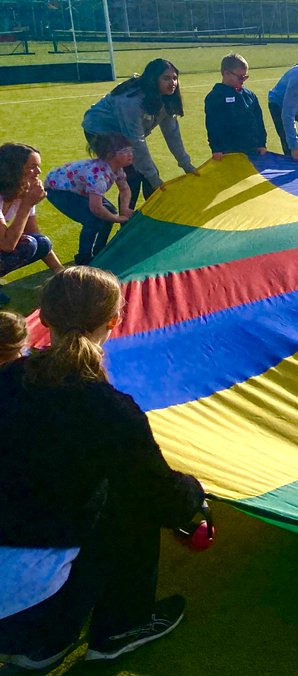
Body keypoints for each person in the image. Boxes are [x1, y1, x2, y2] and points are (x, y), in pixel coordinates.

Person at [0, 266, 205, 669]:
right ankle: (118, 627)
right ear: (114, 321)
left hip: (17, 583)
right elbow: (160, 493)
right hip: (28, 595)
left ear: (44, 315)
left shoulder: (9, 381)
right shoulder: (110, 410)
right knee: (133, 503)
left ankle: (45, 643)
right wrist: (194, 496)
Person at [81, 59, 197, 207]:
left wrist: (186, 164)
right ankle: (126, 223)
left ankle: (155, 217)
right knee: (133, 177)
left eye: (175, 78)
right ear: (153, 79)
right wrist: (153, 177)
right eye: (166, 78)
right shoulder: (132, 101)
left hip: (126, 133)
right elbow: (136, 140)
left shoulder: (165, 99)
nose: (173, 83)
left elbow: (172, 134)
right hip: (99, 130)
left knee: (146, 174)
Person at [43, 134, 134, 266]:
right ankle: (84, 258)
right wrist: (117, 219)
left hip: (74, 188)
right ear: (109, 155)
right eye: (125, 151)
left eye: (131, 150)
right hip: (57, 189)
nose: (130, 154)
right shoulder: (99, 176)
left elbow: (125, 189)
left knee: (109, 211)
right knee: (93, 218)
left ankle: (99, 250)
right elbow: (96, 208)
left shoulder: (117, 170)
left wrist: (124, 208)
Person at [0, 143, 63, 278]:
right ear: (14, 170)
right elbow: (6, 245)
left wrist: (60, 271)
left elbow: (34, 233)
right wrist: (27, 205)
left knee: (41, 242)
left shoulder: (23, 192)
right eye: (32, 167)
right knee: (29, 244)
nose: (38, 172)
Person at [204, 53, 268, 160]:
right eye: (240, 77)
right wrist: (216, 149)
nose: (243, 80)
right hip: (229, 152)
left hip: (252, 151)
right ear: (226, 73)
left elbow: (259, 122)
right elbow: (213, 125)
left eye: (245, 77)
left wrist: (262, 144)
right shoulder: (215, 97)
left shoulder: (250, 96)